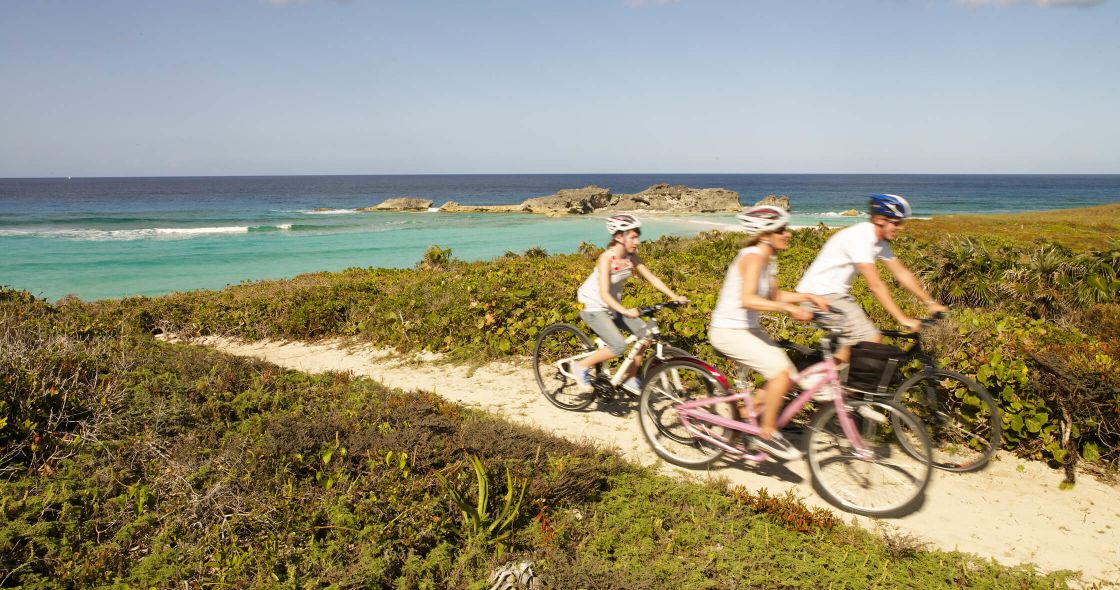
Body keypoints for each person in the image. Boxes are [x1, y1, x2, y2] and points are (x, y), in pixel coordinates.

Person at [709, 205, 829, 461]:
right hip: (729, 330)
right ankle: (766, 432)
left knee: (788, 375)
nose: (788, 234)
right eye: (782, 229)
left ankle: (743, 420)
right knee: (780, 375)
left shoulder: (768, 258)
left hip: (748, 328)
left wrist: (807, 297)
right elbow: (748, 299)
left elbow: (774, 296)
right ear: (765, 233)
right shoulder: (753, 256)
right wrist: (787, 309)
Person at [794, 193, 948, 364]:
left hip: (835, 296)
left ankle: (836, 384)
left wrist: (930, 302)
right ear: (880, 220)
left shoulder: (879, 242)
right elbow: (876, 285)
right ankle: (821, 383)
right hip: (819, 295)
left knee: (853, 345)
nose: (900, 227)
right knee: (870, 337)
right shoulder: (861, 237)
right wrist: (902, 319)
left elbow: (902, 273)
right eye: (896, 223)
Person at [567, 213, 688, 394]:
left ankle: (630, 378)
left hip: (612, 307)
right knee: (618, 346)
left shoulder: (631, 257)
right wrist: (625, 310)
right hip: (594, 305)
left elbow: (652, 278)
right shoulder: (606, 259)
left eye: (637, 236)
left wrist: (674, 296)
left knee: (646, 336)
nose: (637, 241)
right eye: (632, 237)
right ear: (618, 236)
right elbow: (604, 294)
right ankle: (580, 366)